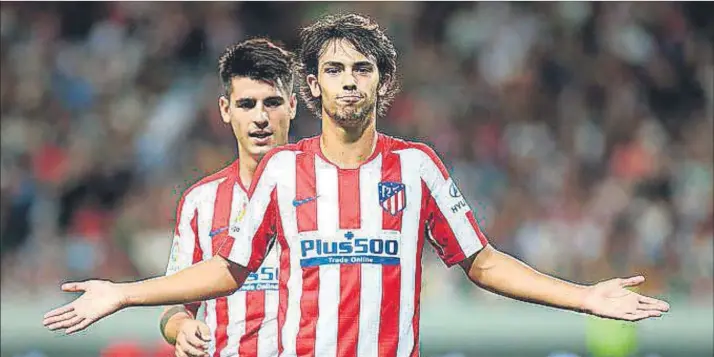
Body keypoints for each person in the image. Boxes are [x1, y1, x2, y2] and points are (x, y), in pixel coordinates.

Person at [43, 13, 670, 357]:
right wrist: (126, 295)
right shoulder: (285, 171)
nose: (348, 80)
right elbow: (230, 270)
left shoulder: (419, 166)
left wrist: (585, 297)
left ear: (383, 83)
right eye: (334, 69)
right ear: (311, 87)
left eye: (362, 69)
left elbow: (482, 263)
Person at [156, 38, 297, 357]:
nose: (260, 117)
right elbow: (174, 307)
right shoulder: (200, 202)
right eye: (247, 104)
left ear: (293, 105)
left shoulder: (328, 191)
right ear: (225, 109)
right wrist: (182, 329)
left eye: (272, 103)